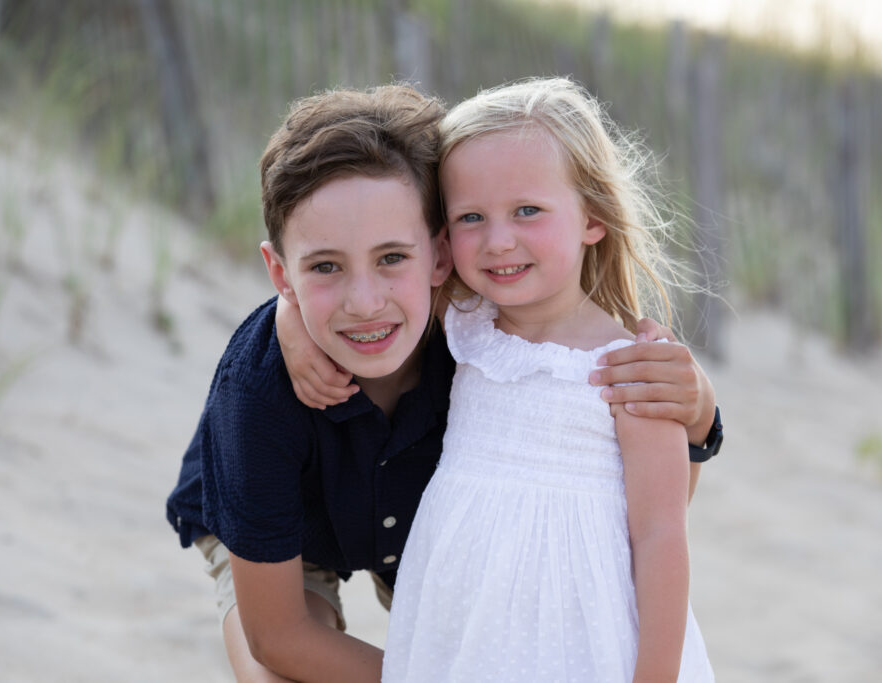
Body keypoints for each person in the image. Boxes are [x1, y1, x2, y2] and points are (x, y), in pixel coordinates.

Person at [166, 84, 721, 683]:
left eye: (392, 259)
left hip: (432, 542)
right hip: (294, 532)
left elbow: (652, 515)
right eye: (324, 267)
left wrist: (700, 408)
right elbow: (278, 637)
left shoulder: (474, 318)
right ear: (284, 276)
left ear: (436, 256)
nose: (365, 302)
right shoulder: (264, 390)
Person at [379, 78, 715, 682]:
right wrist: (293, 331)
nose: (498, 240)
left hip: (578, 636)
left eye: (527, 211)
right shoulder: (458, 326)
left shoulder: (630, 367)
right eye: (470, 217)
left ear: (593, 217)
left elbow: (663, 533)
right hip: (460, 623)